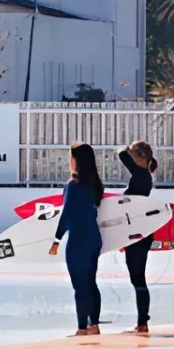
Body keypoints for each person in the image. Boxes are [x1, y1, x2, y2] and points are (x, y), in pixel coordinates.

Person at [50, 142, 104, 336]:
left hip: (78, 240)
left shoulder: (73, 186)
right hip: (94, 238)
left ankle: (82, 327)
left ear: (76, 161)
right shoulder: (95, 184)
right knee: (90, 282)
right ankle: (94, 325)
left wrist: (56, 239)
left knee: (79, 286)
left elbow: (67, 215)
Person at [120, 140, 158, 334]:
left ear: (139, 156)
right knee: (138, 278)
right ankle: (142, 321)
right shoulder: (143, 175)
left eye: (132, 152)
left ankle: (143, 322)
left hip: (137, 234)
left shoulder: (141, 174)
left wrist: (127, 149)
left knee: (138, 279)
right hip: (138, 231)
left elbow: (120, 154)